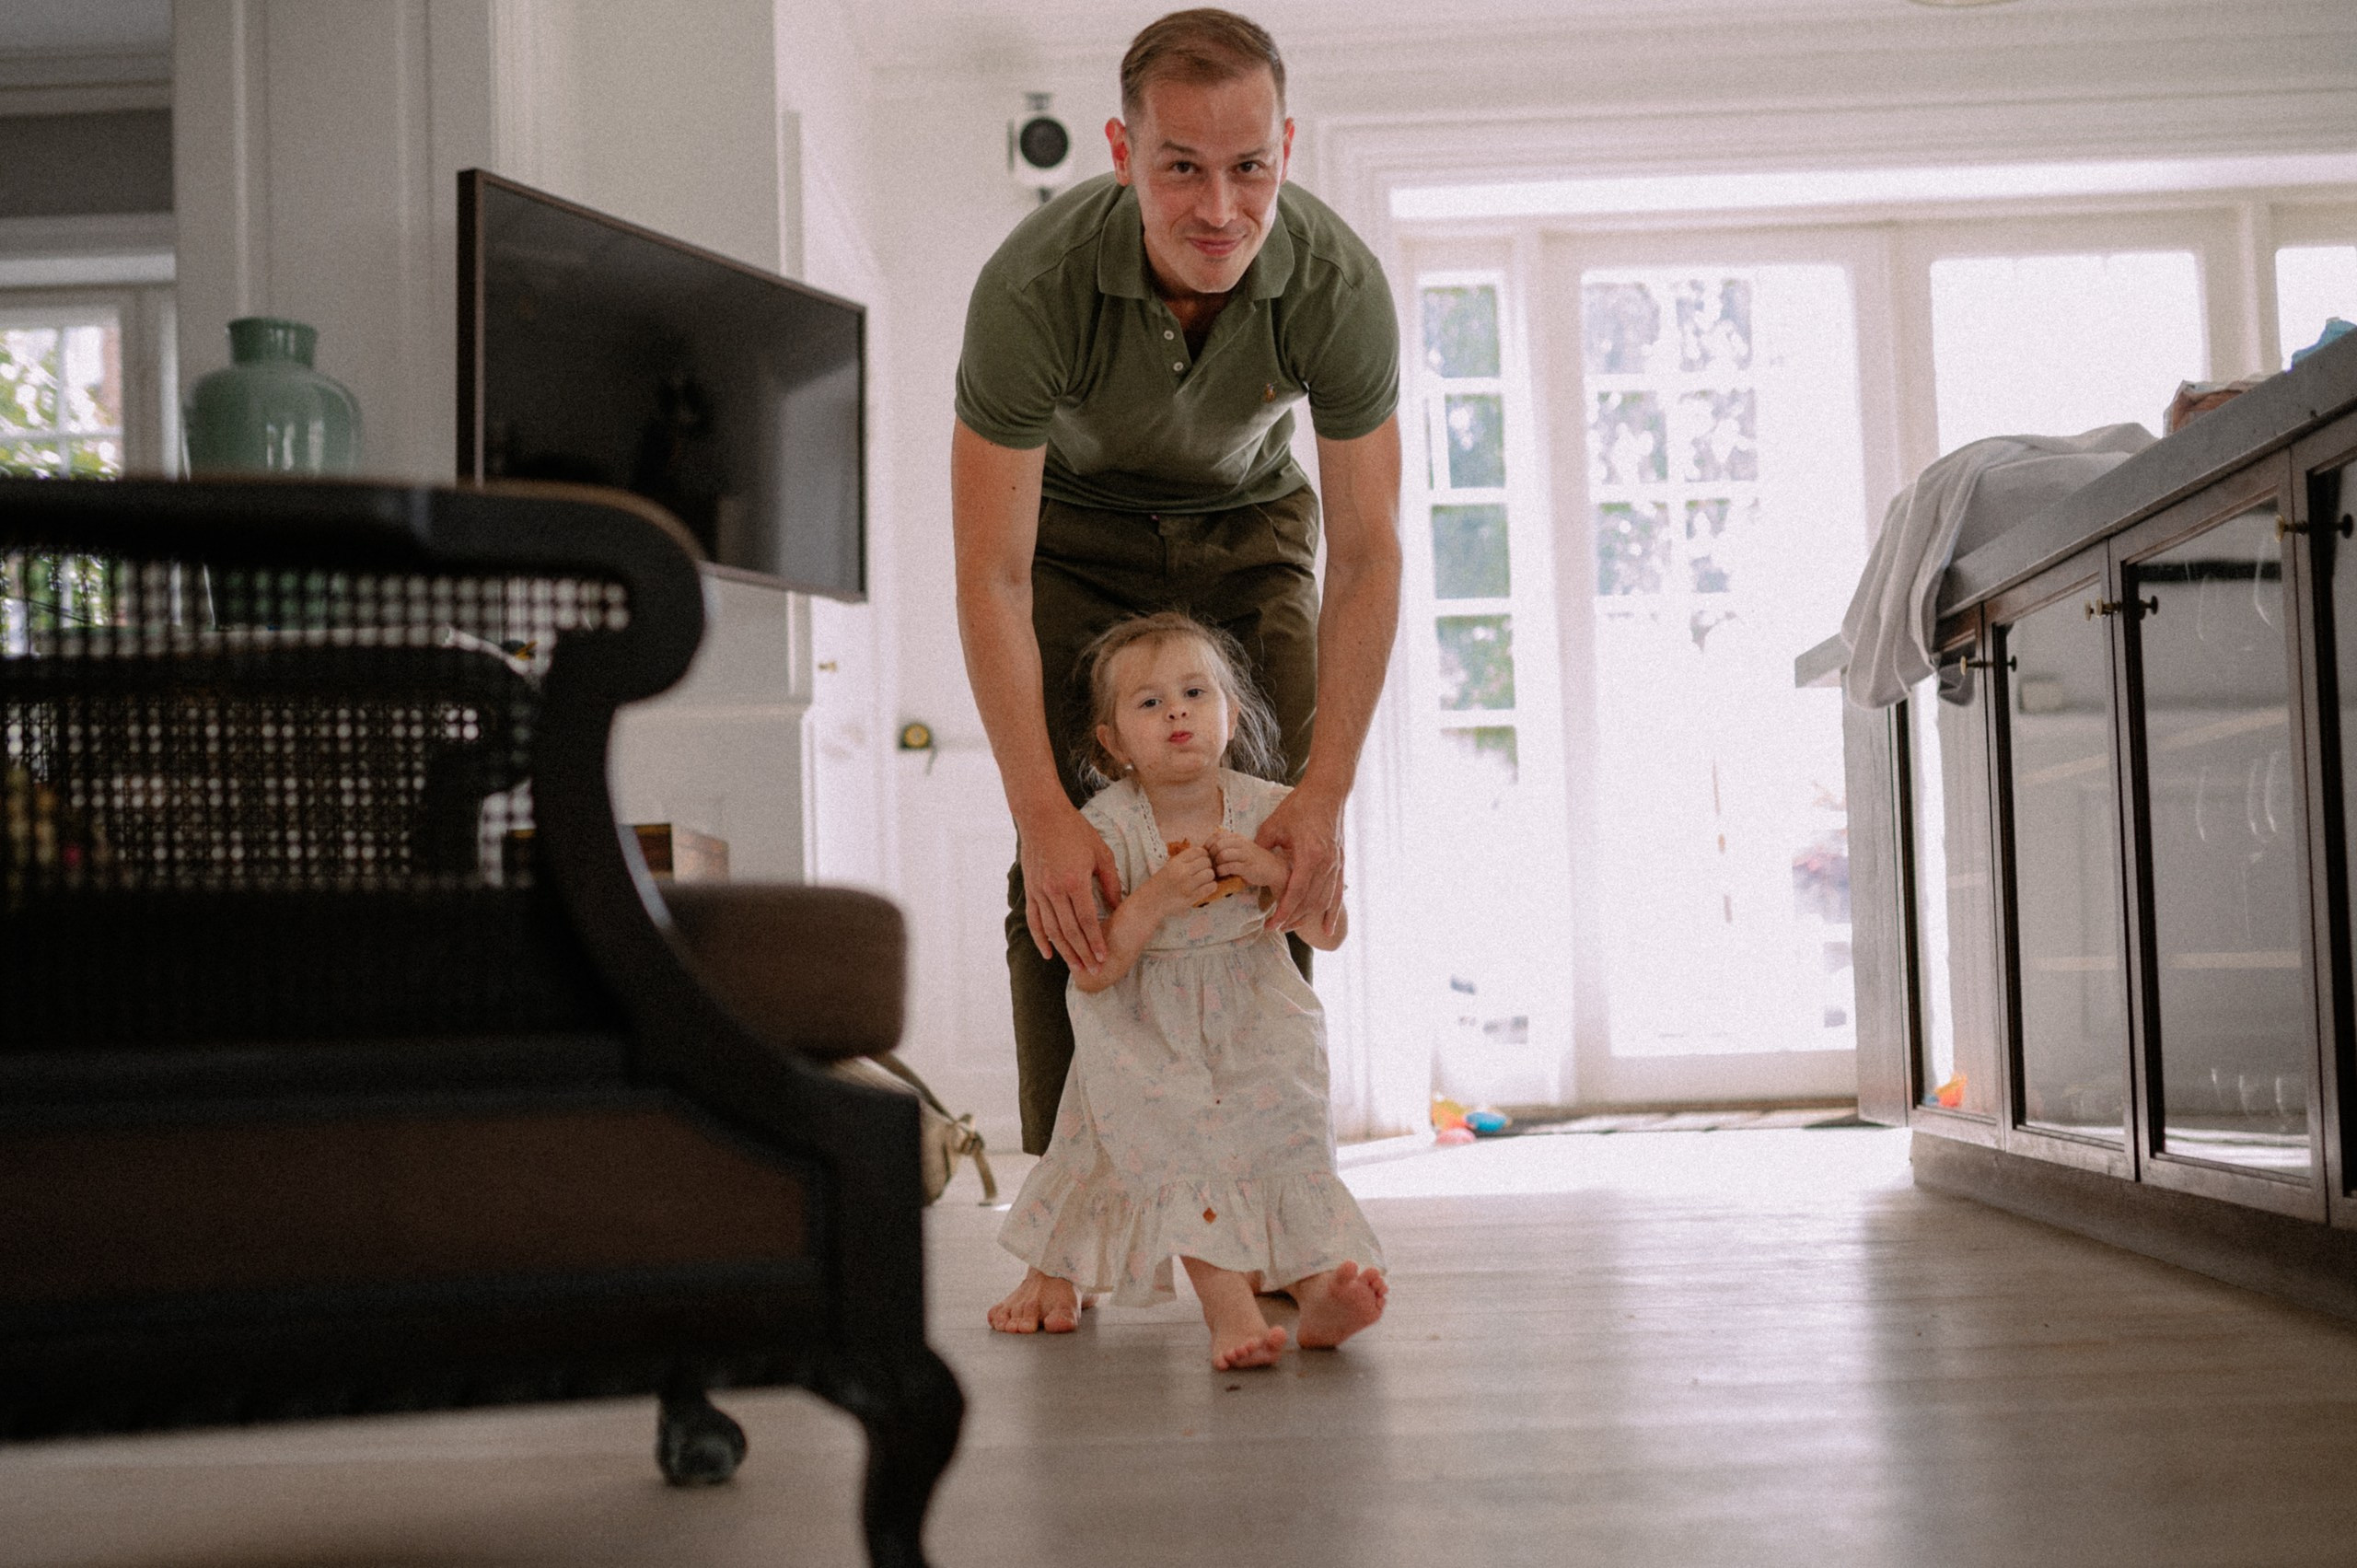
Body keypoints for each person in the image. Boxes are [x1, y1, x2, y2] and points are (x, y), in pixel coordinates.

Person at [951, 7, 1402, 1336]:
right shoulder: (1031, 290)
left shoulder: (1333, 282)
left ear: (1286, 148)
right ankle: (1067, 1232)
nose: (1220, 205)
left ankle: (1276, 1224)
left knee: (1274, 845)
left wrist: (1324, 790)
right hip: (1075, 537)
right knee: (1075, 869)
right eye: (1181, 167)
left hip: (1251, 533)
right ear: (1120, 149)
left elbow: (1369, 548)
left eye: (1250, 166)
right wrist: (1041, 813)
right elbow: (989, 570)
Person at [995, 612, 1387, 1368]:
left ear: (1230, 715)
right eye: (1148, 702)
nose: (1176, 710)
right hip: (1149, 1031)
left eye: (1194, 692)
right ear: (1112, 741)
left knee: (1291, 1142)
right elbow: (1095, 969)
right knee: (1187, 1150)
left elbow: (1330, 931)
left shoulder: (1271, 810)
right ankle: (1229, 1308)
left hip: (1258, 1020)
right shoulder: (1107, 828)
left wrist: (1275, 873)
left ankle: (1317, 1291)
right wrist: (1156, 899)